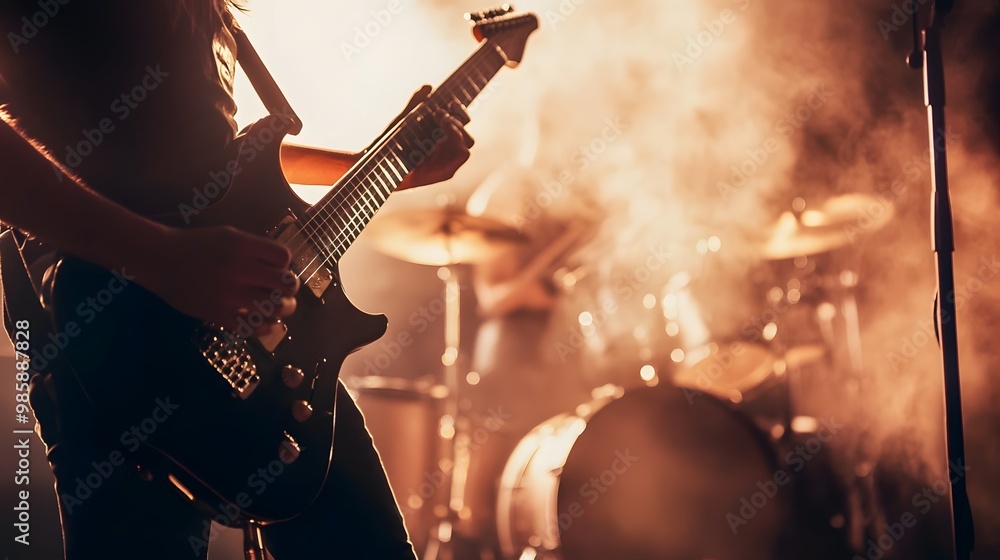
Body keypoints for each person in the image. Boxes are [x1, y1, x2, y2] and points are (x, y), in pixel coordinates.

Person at [0, 1, 473, 558]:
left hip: (249, 342)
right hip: (111, 331)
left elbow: (218, 164)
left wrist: (380, 165)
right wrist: (164, 258)